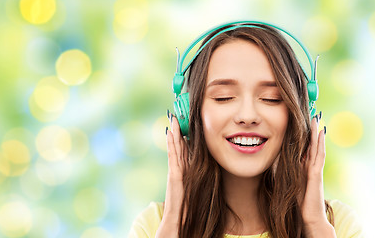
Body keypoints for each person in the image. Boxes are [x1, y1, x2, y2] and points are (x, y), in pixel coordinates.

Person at [129, 21, 363, 238]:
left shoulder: (336, 225)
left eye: (271, 98)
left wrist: (314, 225)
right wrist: (173, 225)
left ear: (298, 115)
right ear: (189, 115)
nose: (248, 116)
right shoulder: (155, 225)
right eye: (224, 97)